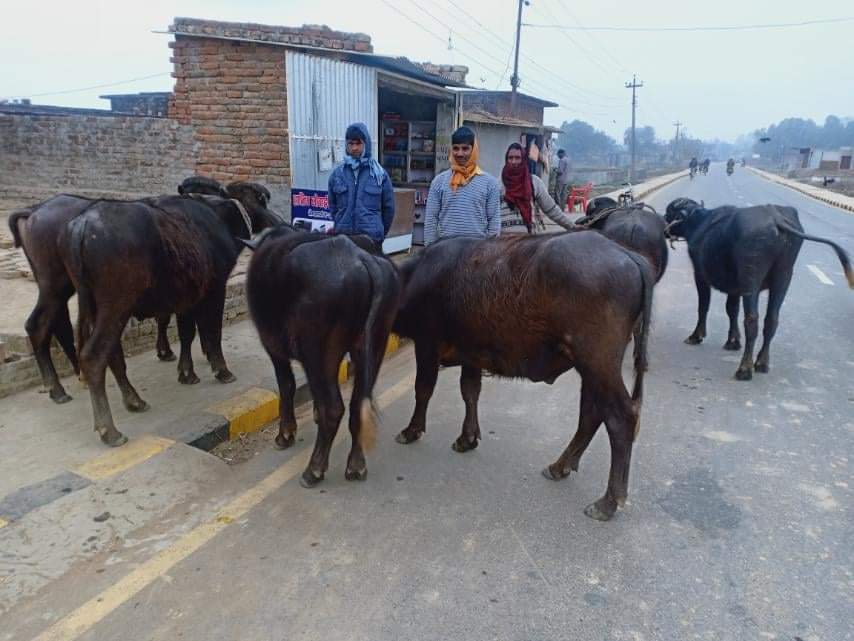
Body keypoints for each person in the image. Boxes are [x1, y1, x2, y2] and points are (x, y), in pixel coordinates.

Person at [423, 126, 501, 246]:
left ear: (473, 149)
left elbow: (494, 222)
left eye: (465, 149)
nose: (460, 153)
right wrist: (430, 251)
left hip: (476, 255)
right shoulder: (439, 182)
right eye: (456, 148)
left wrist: (489, 254)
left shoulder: (490, 184)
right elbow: (431, 220)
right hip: (446, 252)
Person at [328, 122, 395, 247]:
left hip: (371, 240)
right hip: (344, 240)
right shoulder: (337, 175)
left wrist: (379, 232)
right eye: (351, 144)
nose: (354, 148)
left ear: (366, 144)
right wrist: (341, 224)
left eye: (358, 143)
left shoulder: (379, 175)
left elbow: (389, 209)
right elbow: (333, 207)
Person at [500, 143, 575, 234]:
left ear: (523, 159)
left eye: (517, 158)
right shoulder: (497, 184)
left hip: (529, 242)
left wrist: (573, 227)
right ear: (506, 159)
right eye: (510, 158)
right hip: (503, 244)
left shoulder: (534, 182)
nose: (513, 161)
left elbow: (552, 210)